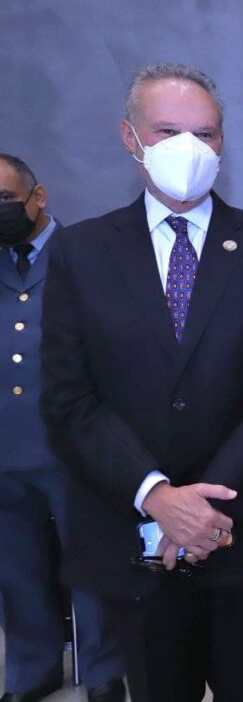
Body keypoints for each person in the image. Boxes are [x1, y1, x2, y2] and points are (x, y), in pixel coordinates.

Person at [39, 63, 243, 702]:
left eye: (206, 133)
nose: (189, 148)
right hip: (132, 532)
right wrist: (158, 496)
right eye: (168, 131)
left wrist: (204, 510)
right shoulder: (81, 253)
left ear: (222, 143)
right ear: (130, 138)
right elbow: (70, 398)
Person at [0, 155, 125, 702]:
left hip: (75, 443)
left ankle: (103, 669)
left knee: (92, 563)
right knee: (16, 570)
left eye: (5, 199)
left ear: (38, 197)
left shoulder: (88, 254)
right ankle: (33, 669)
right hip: (6, 449)